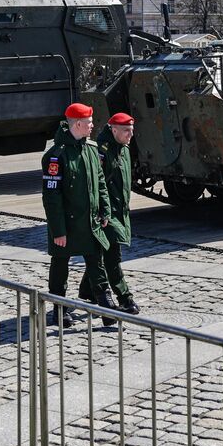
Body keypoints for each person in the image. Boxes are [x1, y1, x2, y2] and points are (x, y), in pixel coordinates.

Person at [42, 102, 118, 328]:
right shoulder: (56, 156)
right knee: (60, 265)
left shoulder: (91, 149)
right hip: (67, 224)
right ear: (76, 124)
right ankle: (59, 308)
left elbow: (101, 182)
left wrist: (105, 210)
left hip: (90, 222)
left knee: (97, 262)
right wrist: (58, 230)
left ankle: (106, 307)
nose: (93, 125)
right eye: (88, 122)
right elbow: (52, 197)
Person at [79, 112, 140, 315]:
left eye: (131, 131)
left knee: (104, 255)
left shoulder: (124, 149)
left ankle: (87, 290)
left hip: (120, 211)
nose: (130, 135)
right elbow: (97, 185)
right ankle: (125, 297)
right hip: (107, 214)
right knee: (113, 255)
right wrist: (102, 213)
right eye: (126, 131)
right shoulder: (101, 152)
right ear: (113, 130)